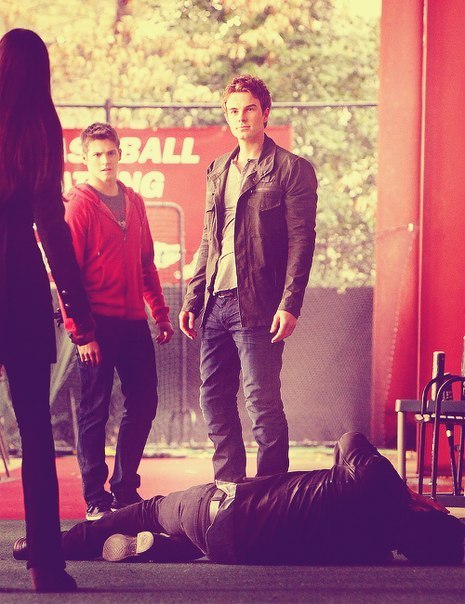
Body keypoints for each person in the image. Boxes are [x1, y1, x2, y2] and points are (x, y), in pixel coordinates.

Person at [13, 432, 465, 566]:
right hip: (235, 552)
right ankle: (163, 548)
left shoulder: (378, 480)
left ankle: (49, 546)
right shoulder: (374, 552)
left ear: (430, 510)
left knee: (149, 509)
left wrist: (406, 493)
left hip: (216, 508)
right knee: (214, 538)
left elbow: (349, 438)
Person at [179, 74, 318, 482]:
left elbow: (302, 242)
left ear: (265, 112)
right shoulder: (218, 169)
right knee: (213, 398)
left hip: (258, 304)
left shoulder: (291, 169)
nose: (241, 118)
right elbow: (209, 239)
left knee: (262, 403)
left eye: (250, 109)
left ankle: (270, 494)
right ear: (227, 116)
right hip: (215, 303)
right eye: (234, 111)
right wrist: (193, 298)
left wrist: (290, 304)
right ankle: (230, 487)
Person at [0, 28, 98, 592]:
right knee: (36, 428)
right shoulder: (42, 125)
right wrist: (78, 315)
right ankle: (45, 565)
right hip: (21, 287)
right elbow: (52, 229)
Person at [62, 122, 174, 521]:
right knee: (94, 411)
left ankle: (124, 489)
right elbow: (67, 275)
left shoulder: (135, 201)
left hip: (133, 323)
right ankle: (95, 498)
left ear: (120, 154)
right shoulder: (79, 205)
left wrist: (160, 313)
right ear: (84, 158)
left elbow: (146, 264)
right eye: (96, 154)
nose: (105, 160)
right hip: (95, 326)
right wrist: (81, 333)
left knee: (144, 402)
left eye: (110, 153)